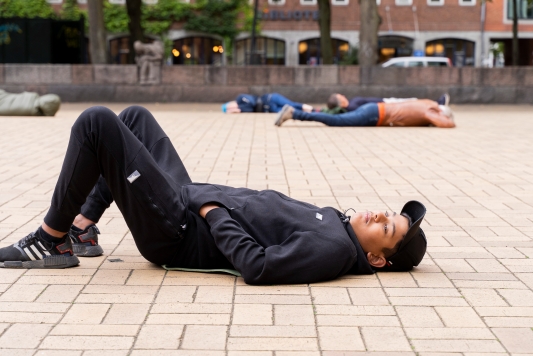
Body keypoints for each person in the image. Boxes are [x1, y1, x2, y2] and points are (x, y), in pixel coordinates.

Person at [0, 106, 428, 285]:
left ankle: (50, 238)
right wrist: (206, 201)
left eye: (386, 227)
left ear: (377, 258)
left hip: (180, 231)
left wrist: (211, 210)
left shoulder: (333, 249)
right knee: (133, 119)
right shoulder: (335, 226)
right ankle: (82, 228)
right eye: (387, 212)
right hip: (190, 202)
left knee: (97, 123)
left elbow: (258, 267)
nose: (377, 214)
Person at [275, 99, 456, 128]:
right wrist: (448, 120)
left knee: (338, 119)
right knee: (336, 121)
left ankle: (298, 113)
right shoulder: (430, 111)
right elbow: (446, 124)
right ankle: (295, 113)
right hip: (376, 114)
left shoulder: (428, 103)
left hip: (375, 109)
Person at [327, 93, 450, 113]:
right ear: (341, 103)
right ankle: (437, 105)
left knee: (412, 101)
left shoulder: (351, 105)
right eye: (340, 96)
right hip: (387, 105)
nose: (343, 95)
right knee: (412, 101)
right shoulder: (351, 107)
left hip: (386, 103)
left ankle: (436, 104)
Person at [222, 93, 314, 114]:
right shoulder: (242, 109)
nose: (231, 108)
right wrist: (239, 110)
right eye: (229, 110)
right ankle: (310, 113)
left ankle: (311, 108)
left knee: (291, 104)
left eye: (229, 107)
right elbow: (250, 109)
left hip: (271, 99)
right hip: (268, 109)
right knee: (290, 111)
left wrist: (239, 107)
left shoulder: (240, 98)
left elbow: (252, 102)